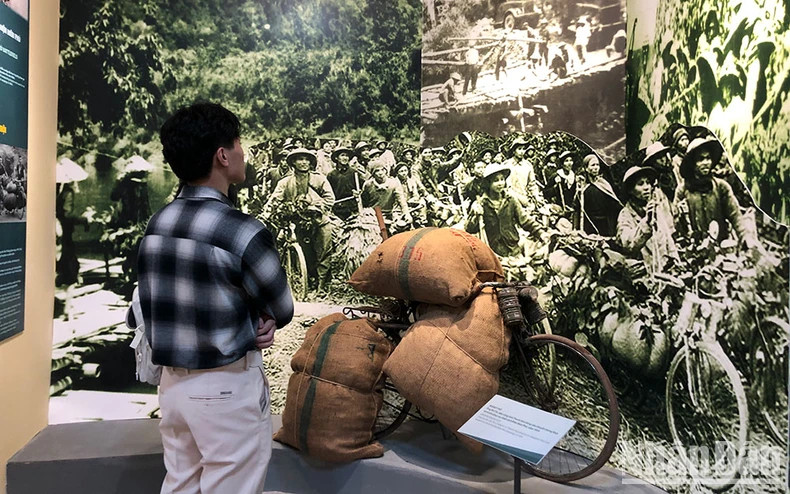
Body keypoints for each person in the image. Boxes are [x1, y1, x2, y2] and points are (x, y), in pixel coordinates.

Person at [137, 102, 294, 494]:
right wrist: (258, 317)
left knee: (180, 484)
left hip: (172, 387)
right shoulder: (242, 231)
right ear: (223, 155)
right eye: (239, 143)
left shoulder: (159, 222)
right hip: (225, 388)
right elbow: (282, 307)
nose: (244, 151)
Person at [265, 148, 336, 292]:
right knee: (296, 249)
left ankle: (322, 285)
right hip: (297, 222)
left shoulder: (319, 179)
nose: (304, 162)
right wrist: (266, 213)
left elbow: (330, 199)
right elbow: (274, 200)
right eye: (300, 159)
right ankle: (302, 280)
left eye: (307, 159)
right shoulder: (285, 182)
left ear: (311, 163)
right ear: (293, 163)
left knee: (323, 251)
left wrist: (314, 207)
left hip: (318, 220)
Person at [673, 137, 759, 248]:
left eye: (708, 158)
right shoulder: (683, 190)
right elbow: (676, 224)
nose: (705, 163)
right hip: (694, 251)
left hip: (721, 249)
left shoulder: (721, 187)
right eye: (700, 159)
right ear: (692, 163)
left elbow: (735, 216)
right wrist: (681, 218)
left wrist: (746, 238)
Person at [465, 163, 544, 258]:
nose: (500, 183)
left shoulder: (511, 200)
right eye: (496, 180)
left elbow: (525, 221)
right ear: (488, 183)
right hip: (492, 253)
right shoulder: (481, 204)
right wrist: (475, 215)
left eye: (502, 179)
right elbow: (469, 229)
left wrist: (541, 233)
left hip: (513, 249)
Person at [617, 166, 678, 274]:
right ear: (631, 190)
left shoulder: (655, 209)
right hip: (644, 274)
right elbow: (627, 244)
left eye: (648, 183)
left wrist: (676, 263)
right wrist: (646, 222)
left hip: (665, 271)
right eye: (640, 184)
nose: (646, 187)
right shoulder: (625, 215)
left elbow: (668, 240)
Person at [578, 154, 622, 236]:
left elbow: (614, 203)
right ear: (586, 168)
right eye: (593, 165)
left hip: (606, 225)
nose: (595, 167)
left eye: (597, 165)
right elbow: (578, 208)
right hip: (589, 226)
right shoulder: (582, 188)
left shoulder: (603, 183)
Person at [361, 160, 412, 228]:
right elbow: (364, 203)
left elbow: (401, 201)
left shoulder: (393, 183)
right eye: (377, 171)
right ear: (373, 174)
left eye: (382, 170)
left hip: (389, 214)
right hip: (372, 215)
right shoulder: (368, 185)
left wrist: (406, 213)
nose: (381, 173)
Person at [326, 147, 362, 220]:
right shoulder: (331, 175)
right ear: (336, 158)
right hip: (338, 209)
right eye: (342, 155)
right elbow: (328, 193)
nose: (345, 158)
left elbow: (363, 188)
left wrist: (358, 192)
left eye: (347, 156)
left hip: (353, 209)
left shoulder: (354, 172)